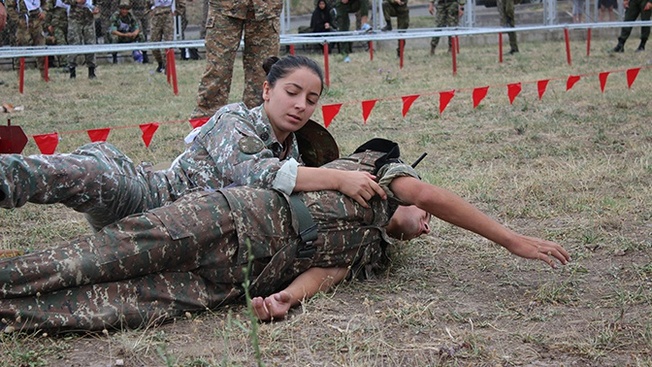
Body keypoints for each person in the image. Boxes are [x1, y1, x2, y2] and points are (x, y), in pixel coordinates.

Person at [0, 139, 571, 333]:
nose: (426, 226)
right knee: (94, 259)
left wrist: (287, 298)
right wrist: (513, 241)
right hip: (228, 217)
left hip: (230, 280)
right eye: (426, 220)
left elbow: (327, 272)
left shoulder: (373, 252)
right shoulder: (374, 173)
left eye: (426, 232)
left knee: (106, 308)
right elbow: (428, 198)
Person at [0, 55, 384, 232]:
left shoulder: (296, 151)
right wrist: (336, 180)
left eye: (312, 99)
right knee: (86, 174)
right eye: (292, 92)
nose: (301, 105)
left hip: (183, 231)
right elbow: (260, 175)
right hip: (147, 198)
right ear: (267, 90)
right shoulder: (234, 119)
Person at [189, 0, 283, 120]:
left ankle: (258, 125)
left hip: (266, 8)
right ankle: (205, 128)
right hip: (225, 7)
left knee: (263, 74)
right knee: (217, 71)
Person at [5, 0, 47, 79]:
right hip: (23, 21)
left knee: (41, 47)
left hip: (36, 20)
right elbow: (10, 7)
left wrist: (44, 12)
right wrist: (18, 20)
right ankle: (19, 76)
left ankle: (44, 75)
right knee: (20, 49)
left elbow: (45, 3)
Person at [65, 0, 99, 79]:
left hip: (89, 19)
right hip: (75, 18)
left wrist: (96, 8)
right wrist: (77, 1)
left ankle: (91, 72)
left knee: (90, 44)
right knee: (74, 43)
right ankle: (72, 72)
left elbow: (99, 2)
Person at [149, 0, 175, 73]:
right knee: (154, 42)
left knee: (168, 42)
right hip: (156, 15)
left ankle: (167, 66)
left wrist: (179, 10)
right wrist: (148, 10)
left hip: (168, 14)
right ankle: (160, 63)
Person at [43, 0, 69, 68]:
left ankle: (71, 63)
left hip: (71, 22)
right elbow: (48, 10)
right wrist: (48, 25)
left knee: (70, 42)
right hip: (57, 24)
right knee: (61, 42)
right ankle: (64, 64)